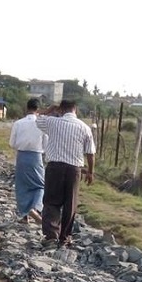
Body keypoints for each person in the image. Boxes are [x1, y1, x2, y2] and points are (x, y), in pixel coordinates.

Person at [36, 99, 95, 248]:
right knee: (70, 203)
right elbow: (90, 152)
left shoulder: (52, 122)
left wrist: (49, 110)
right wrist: (90, 172)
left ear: (61, 110)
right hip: (74, 170)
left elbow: (37, 118)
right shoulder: (84, 127)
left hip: (55, 167)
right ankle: (65, 237)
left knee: (51, 201)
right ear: (76, 110)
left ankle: (51, 235)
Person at [9, 98, 47, 223]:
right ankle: (36, 208)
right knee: (40, 185)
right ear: (38, 109)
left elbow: (12, 143)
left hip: (21, 156)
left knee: (22, 186)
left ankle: (25, 215)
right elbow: (46, 144)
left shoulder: (18, 123)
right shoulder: (41, 124)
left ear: (27, 108)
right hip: (36, 157)